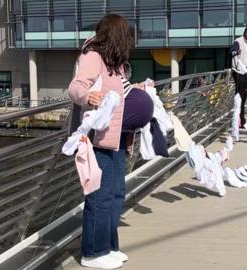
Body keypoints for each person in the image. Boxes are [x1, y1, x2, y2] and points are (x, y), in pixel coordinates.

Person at [68, 14, 152, 269]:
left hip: (116, 138)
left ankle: (109, 246)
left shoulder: (114, 62)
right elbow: (76, 87)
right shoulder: (93, 56)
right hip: (98, 139)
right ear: (117, 36)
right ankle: (92, 252)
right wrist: (88, 97)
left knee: (116, 194)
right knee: (100, 196)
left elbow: (119, 90)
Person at [230, 26, 247, 127]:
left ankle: (241, 120)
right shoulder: (238, 41)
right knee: (240, 96)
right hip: (238, 71)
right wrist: (236, 52)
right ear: (244, 33)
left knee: (243, 96)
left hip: (244, 71)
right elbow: (231, 51)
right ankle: (239, 121)